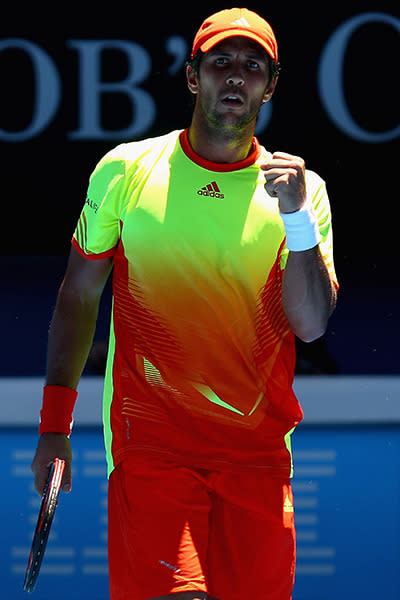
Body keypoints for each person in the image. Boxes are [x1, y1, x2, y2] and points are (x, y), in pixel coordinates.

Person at [31, 8, 338, 600]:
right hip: (153, 446)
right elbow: (79, 293)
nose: (235, 77)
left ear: (269, 87)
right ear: (194, 77)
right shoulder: (125, 171)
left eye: (253, 67)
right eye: (220, 61)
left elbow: (309, 325)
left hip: (258, 458)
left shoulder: (303, 192)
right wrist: (54, 426)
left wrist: (296, 218)